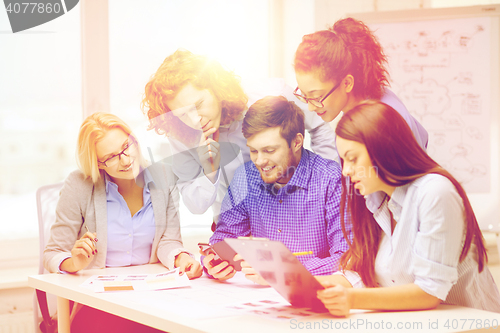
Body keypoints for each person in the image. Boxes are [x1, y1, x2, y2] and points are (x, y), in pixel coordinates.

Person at [316, 101, 500, 316]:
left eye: (353, 159)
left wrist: (352, 299)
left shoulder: (435, 193)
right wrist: (314, 286)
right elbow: (365, 275)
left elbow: (429, 292)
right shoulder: (376, 201)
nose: (346, 171)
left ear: (382, 148)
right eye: (343, 161)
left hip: (473, 326)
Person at [44, 112, 202, 333]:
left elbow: (168, 241)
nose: (126, 160)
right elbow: (52, 253)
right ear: (98, 163)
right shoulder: (79, 185)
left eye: (127, 147)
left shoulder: (164, 176)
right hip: (100, 304)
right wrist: (74, 263)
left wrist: (181, 257)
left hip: (153, 298)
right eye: (111, 157)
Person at [142, 49, 337, 225]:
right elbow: (196, 205)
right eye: (183, 114)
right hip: (231, 225)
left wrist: (326, 187)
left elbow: (319, 127)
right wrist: (209, 170)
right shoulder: (180, 132)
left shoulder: (267, 94)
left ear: (216, 89)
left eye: (199, 104)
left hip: (292, 216)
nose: (195, 120)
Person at [202, 96, 347, 283]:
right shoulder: (246, 177)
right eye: (254, 151)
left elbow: (346, 257)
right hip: (259, 299)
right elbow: (224, 237)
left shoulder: (331, 179)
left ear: (296, 142)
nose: (259, 161)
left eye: (269, 151)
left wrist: (284, 271)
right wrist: (212, 261)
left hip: (316, 295)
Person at [293, 17, 428, 152]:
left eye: (316, 97)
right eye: (304, 96)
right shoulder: (368, 105)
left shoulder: (381, 123)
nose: (310, 107)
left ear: (347, 83)